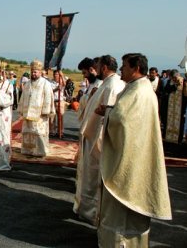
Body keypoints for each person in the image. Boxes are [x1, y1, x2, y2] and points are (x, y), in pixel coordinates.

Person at [98, 53, 171, 246]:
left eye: (124, 66)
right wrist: (110, 109)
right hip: (135, 153)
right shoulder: (138, 88)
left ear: (136, 67)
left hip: (131, 159)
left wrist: (106, 111)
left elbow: (121, 119)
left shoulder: (139, 92)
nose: (121, 69)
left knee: (123, 208)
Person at [73, 55, 125, 226]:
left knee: (94, 178)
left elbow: (108, 116)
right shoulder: (106, 84)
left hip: (97, 140)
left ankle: (92, 212)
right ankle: (84, 209)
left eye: (97, 66)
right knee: (87, 176)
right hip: (91, 136)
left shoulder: (113, 85)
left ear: (103, 68)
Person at [18, 59, 54, 157]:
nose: (33, 73)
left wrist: (46, 110)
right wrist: (21, 108)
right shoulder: (28, 83)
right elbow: (23, 96)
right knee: (28, 132)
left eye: (35, 72)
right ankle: (28, 150)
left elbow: (48, 97)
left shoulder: (45, 83)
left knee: (39, 132)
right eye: (32, 71)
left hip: (40, 114)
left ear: (40, 72)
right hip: (28, 112)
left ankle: (40, 150)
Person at [77, 57, 102, 122]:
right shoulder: (91, 84)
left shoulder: (100, 84)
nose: (84, 76)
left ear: (91, 69)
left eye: (84, 73)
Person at [164, 69, 184, 143]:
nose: (174, 79)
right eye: (173, 78)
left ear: (178, 75)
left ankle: (179, 139)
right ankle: (169, 138)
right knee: (169, 121)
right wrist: (175, 85)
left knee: (180, 122)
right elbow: (166, 89)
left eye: (175, 77)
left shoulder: (184, 81)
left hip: (180, 106)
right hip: (170, 106)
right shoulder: (170, 82)